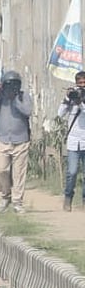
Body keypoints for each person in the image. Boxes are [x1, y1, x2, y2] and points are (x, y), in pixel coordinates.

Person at [0, 70, 33, 213]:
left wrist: (15, 100)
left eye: (14, 84)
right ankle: (6, 195)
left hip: (21, 140)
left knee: (19, 173)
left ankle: (17, 202)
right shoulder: (0, 98)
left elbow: (28, 111)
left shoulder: (23, 96)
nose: (11, 88)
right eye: (8, 85)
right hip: (2, 139)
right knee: (0, 170)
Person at [58, 70, 85, 210]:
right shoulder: (72, 98)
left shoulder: (81, 100)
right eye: (79, 83)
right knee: (72, 172)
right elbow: (60, 114)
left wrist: (80, 102)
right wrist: (67, 99)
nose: (81, 86)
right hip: (74, 141)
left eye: (84, 83)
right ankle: (68, 197)